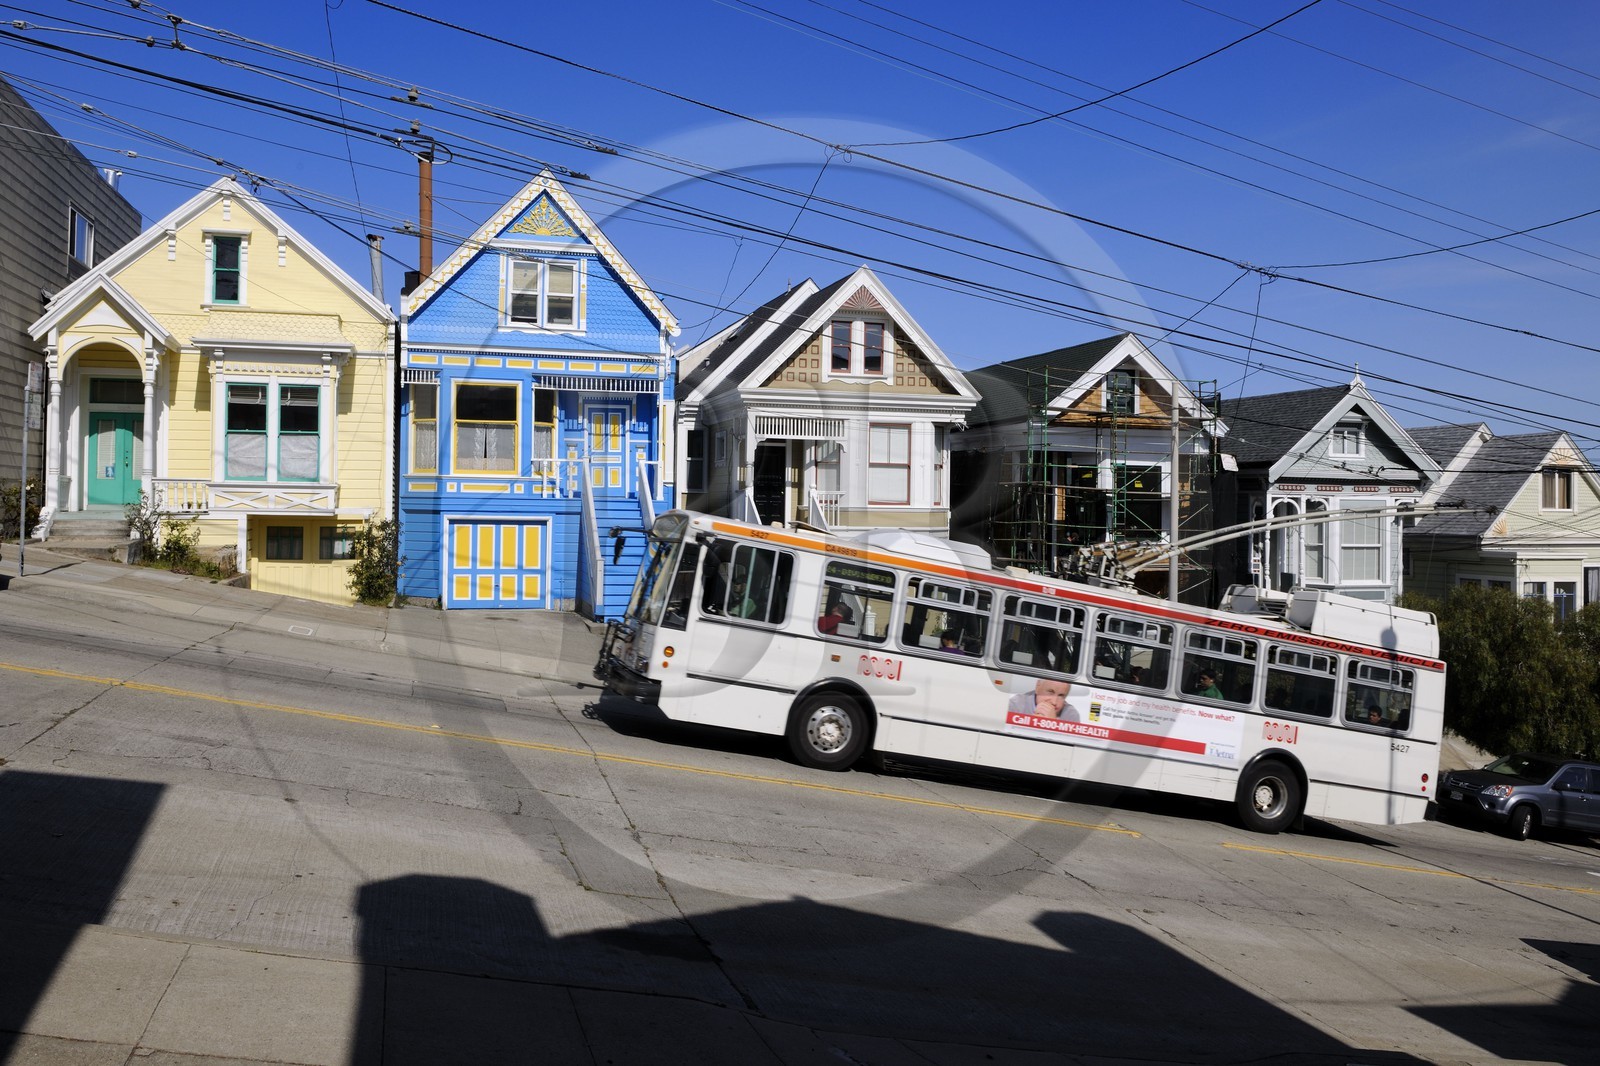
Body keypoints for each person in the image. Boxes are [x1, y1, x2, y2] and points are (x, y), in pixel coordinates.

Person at [1008, 678, 1074, 720]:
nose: (1054, 702)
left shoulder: (1071, 715)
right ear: (1038, 687)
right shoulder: (1014, 705)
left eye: (1061, 695)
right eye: (1050, 692)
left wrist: (1052, 723)